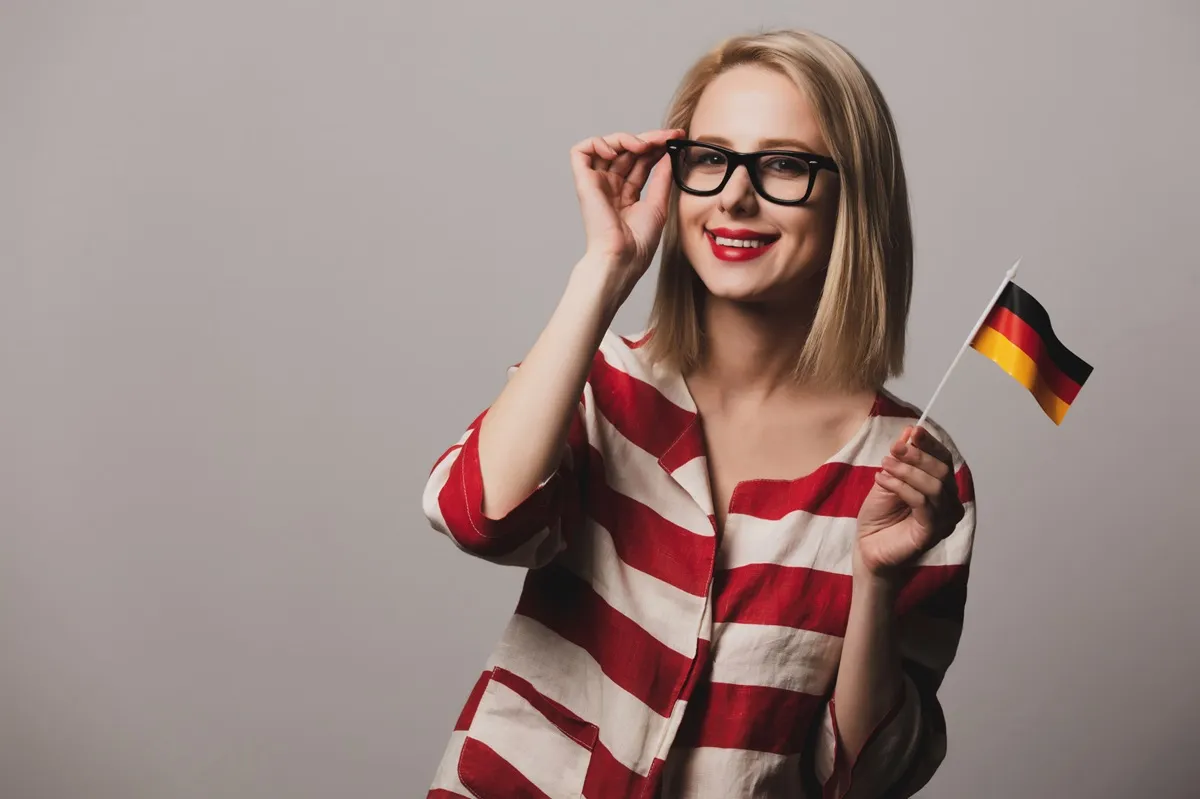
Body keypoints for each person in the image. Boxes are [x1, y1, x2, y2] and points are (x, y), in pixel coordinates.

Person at [421, 28, 976, 799]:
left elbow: (868, 778)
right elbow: (476, 517)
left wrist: (875, 579)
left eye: (784, 163)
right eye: (711, 159)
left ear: (855, 194)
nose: (735, 195)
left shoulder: (912, 467)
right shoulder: (602, 384)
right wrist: (604, 268)